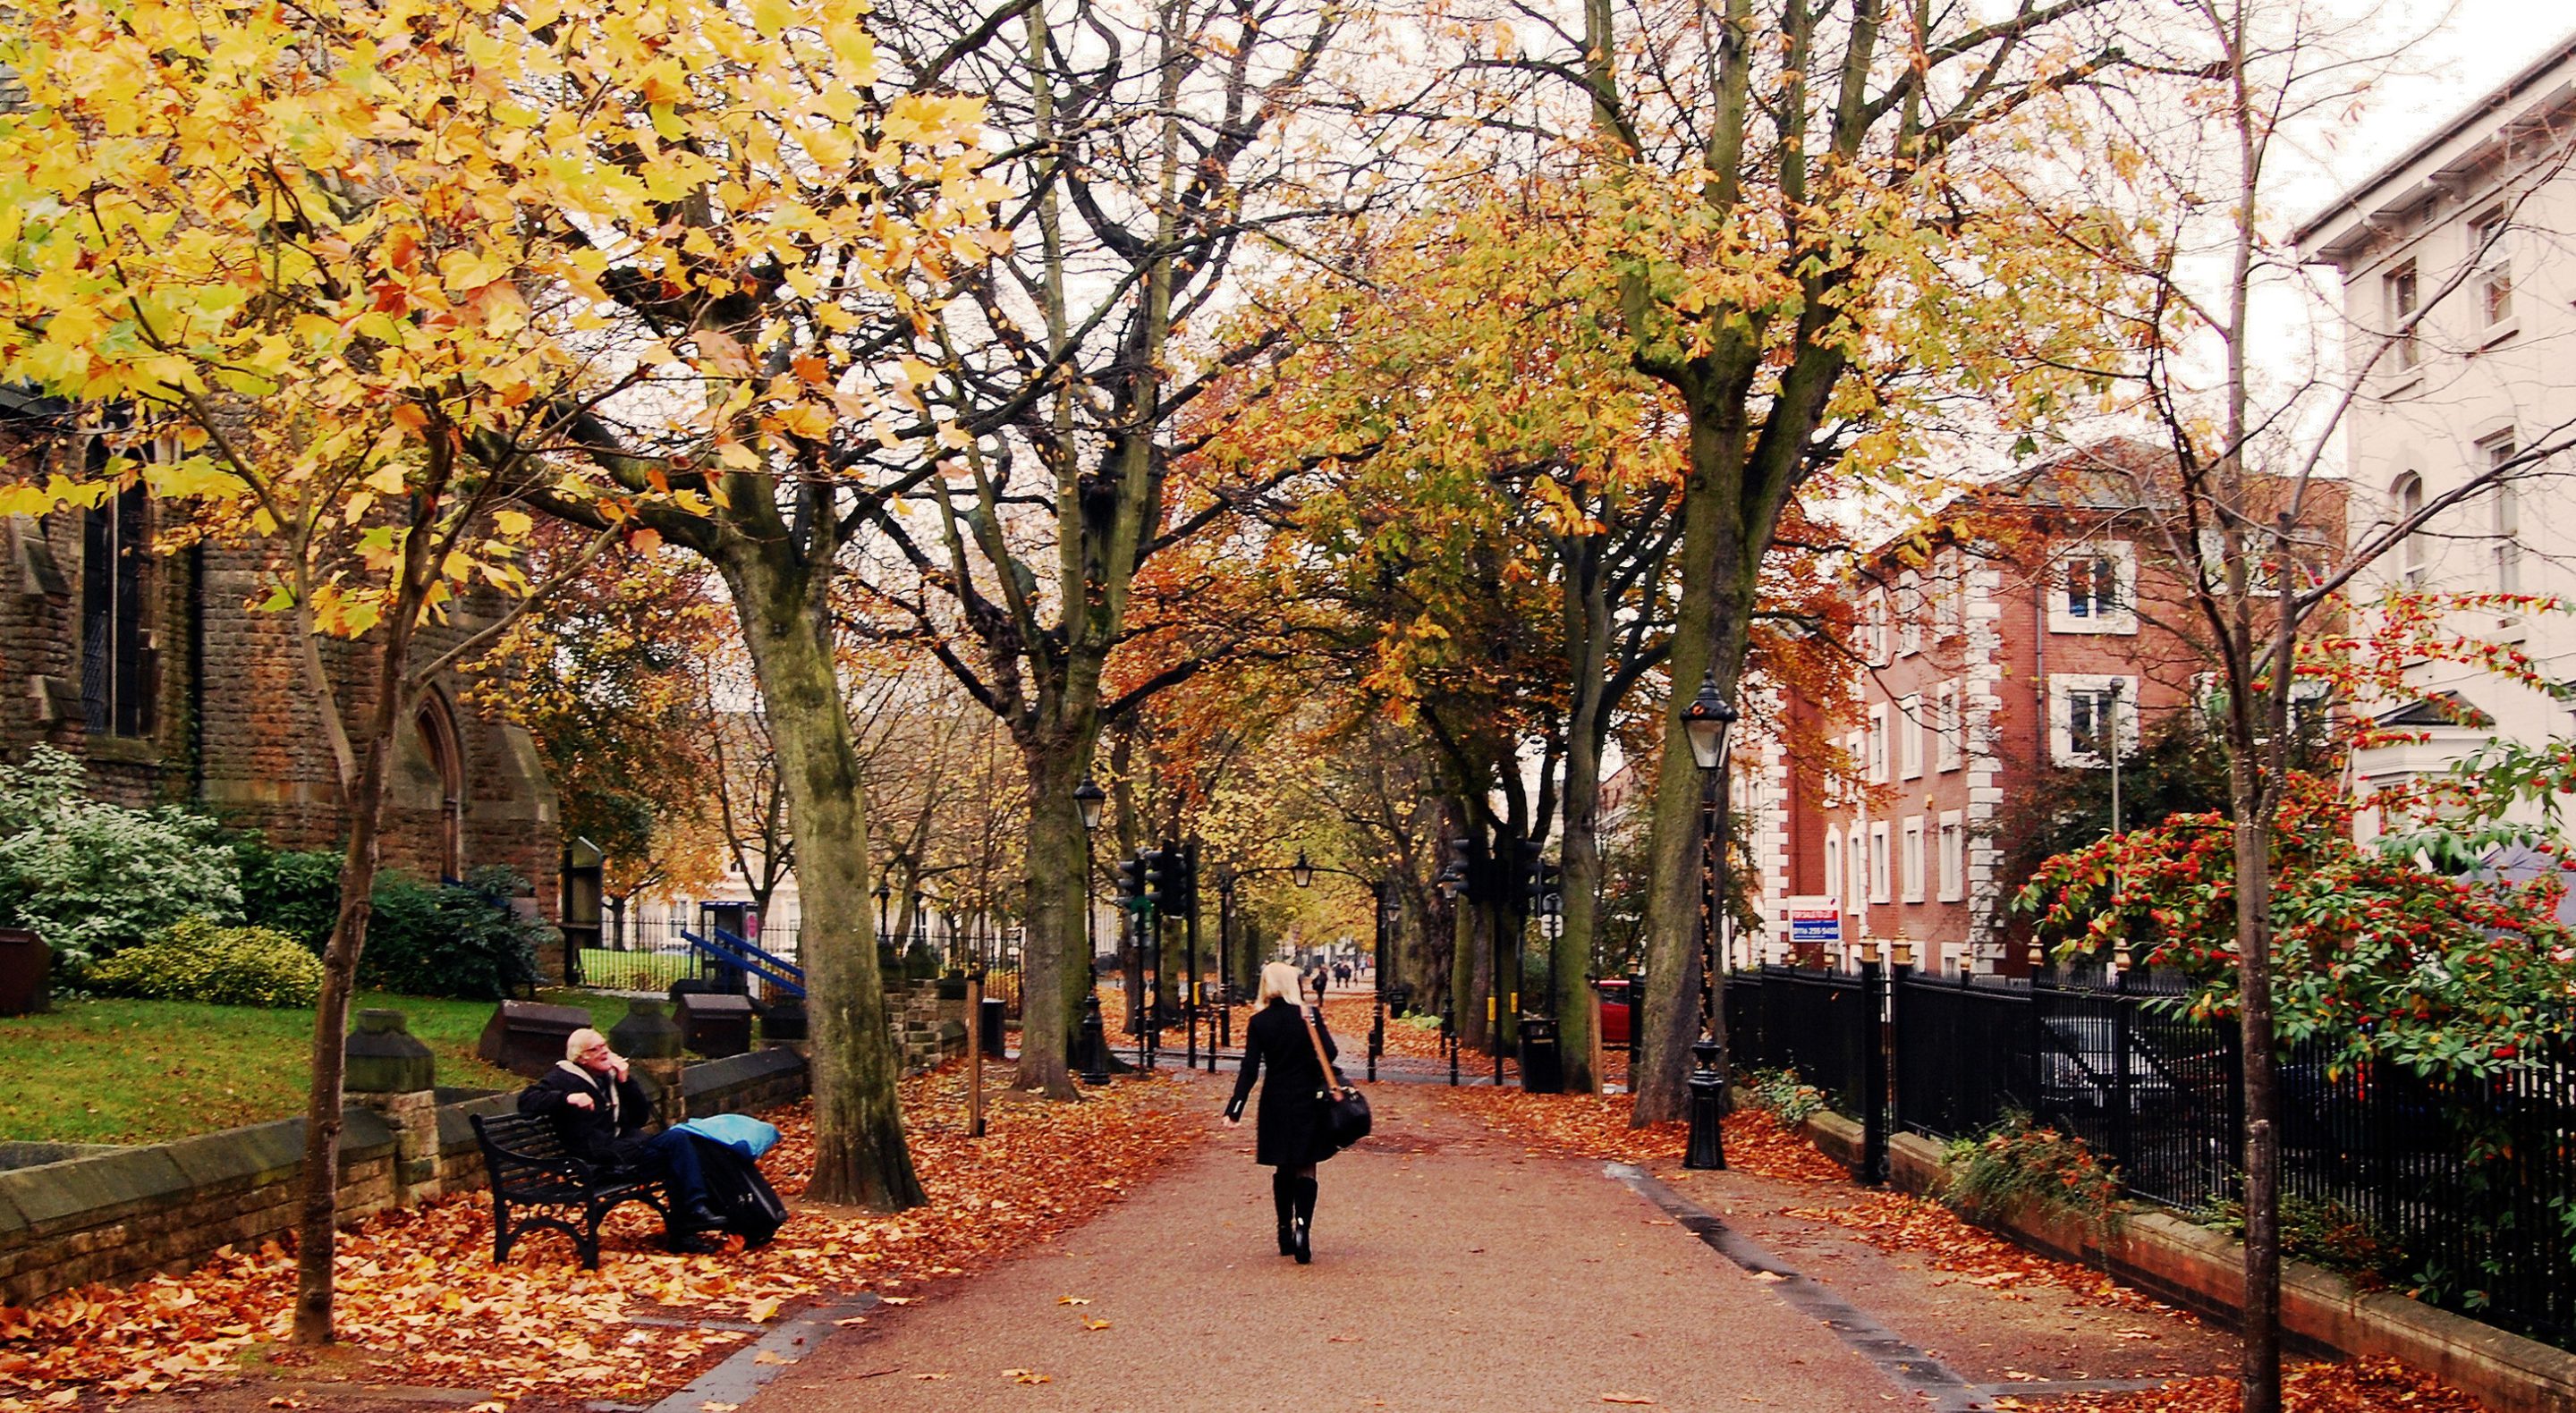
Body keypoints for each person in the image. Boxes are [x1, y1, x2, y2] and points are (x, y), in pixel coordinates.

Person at [519, 1028, 727, 1232]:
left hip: (622, 1150)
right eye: (595, 1049)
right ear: (581, 1057)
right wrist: (568, 1098)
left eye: (604, 1046)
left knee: (682, 1143)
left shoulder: (609, 1076)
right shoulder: (562, 1077)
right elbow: (526, 1101)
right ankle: (693, 1215)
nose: (604, 1052)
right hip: (596, 1161)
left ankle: (692, 1221)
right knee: (677, 1145)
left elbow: (639, 1118)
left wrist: (625, 1082)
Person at [1225, 960, 1341, 1264]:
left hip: (1275, 1099)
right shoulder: (1309, 1016)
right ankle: (1303, 1229)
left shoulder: (1259, 1021)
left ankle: (1283, 1228)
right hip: (1307, 1098)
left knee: (1283, 1165)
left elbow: (1249, 1069)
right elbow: (1329, 1053)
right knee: (1306, 1165)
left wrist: (1235, 1108)